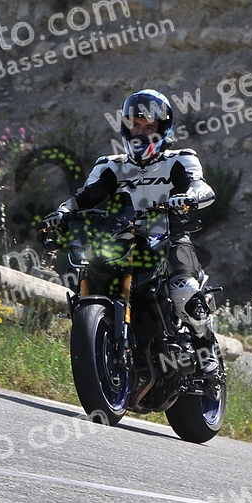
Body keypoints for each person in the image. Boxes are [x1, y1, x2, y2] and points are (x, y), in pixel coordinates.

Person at [43, 89, 220, 374]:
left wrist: (188, 197)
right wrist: (63, 212)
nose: (141, 132)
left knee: (184, 290)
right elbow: (84, 197)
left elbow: (201, 187)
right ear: (125, 126)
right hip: (122, 239)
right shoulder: (110, 166)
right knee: (86, 273)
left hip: (171, 239)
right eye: (136, 125)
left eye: (149, 127)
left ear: (163, 128)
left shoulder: (181, 159)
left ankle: (205, 347)